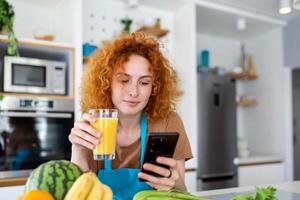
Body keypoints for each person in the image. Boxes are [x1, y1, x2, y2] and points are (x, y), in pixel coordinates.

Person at [69, 32, 193, 200]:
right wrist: (78, 149)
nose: (134, 92)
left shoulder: (167, 121)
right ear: (107, 83)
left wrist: (175, 184)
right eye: (124, 80)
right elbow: (79, 195)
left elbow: (182, 193)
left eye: (144, 82)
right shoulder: (94, 124)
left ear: (154, 87)